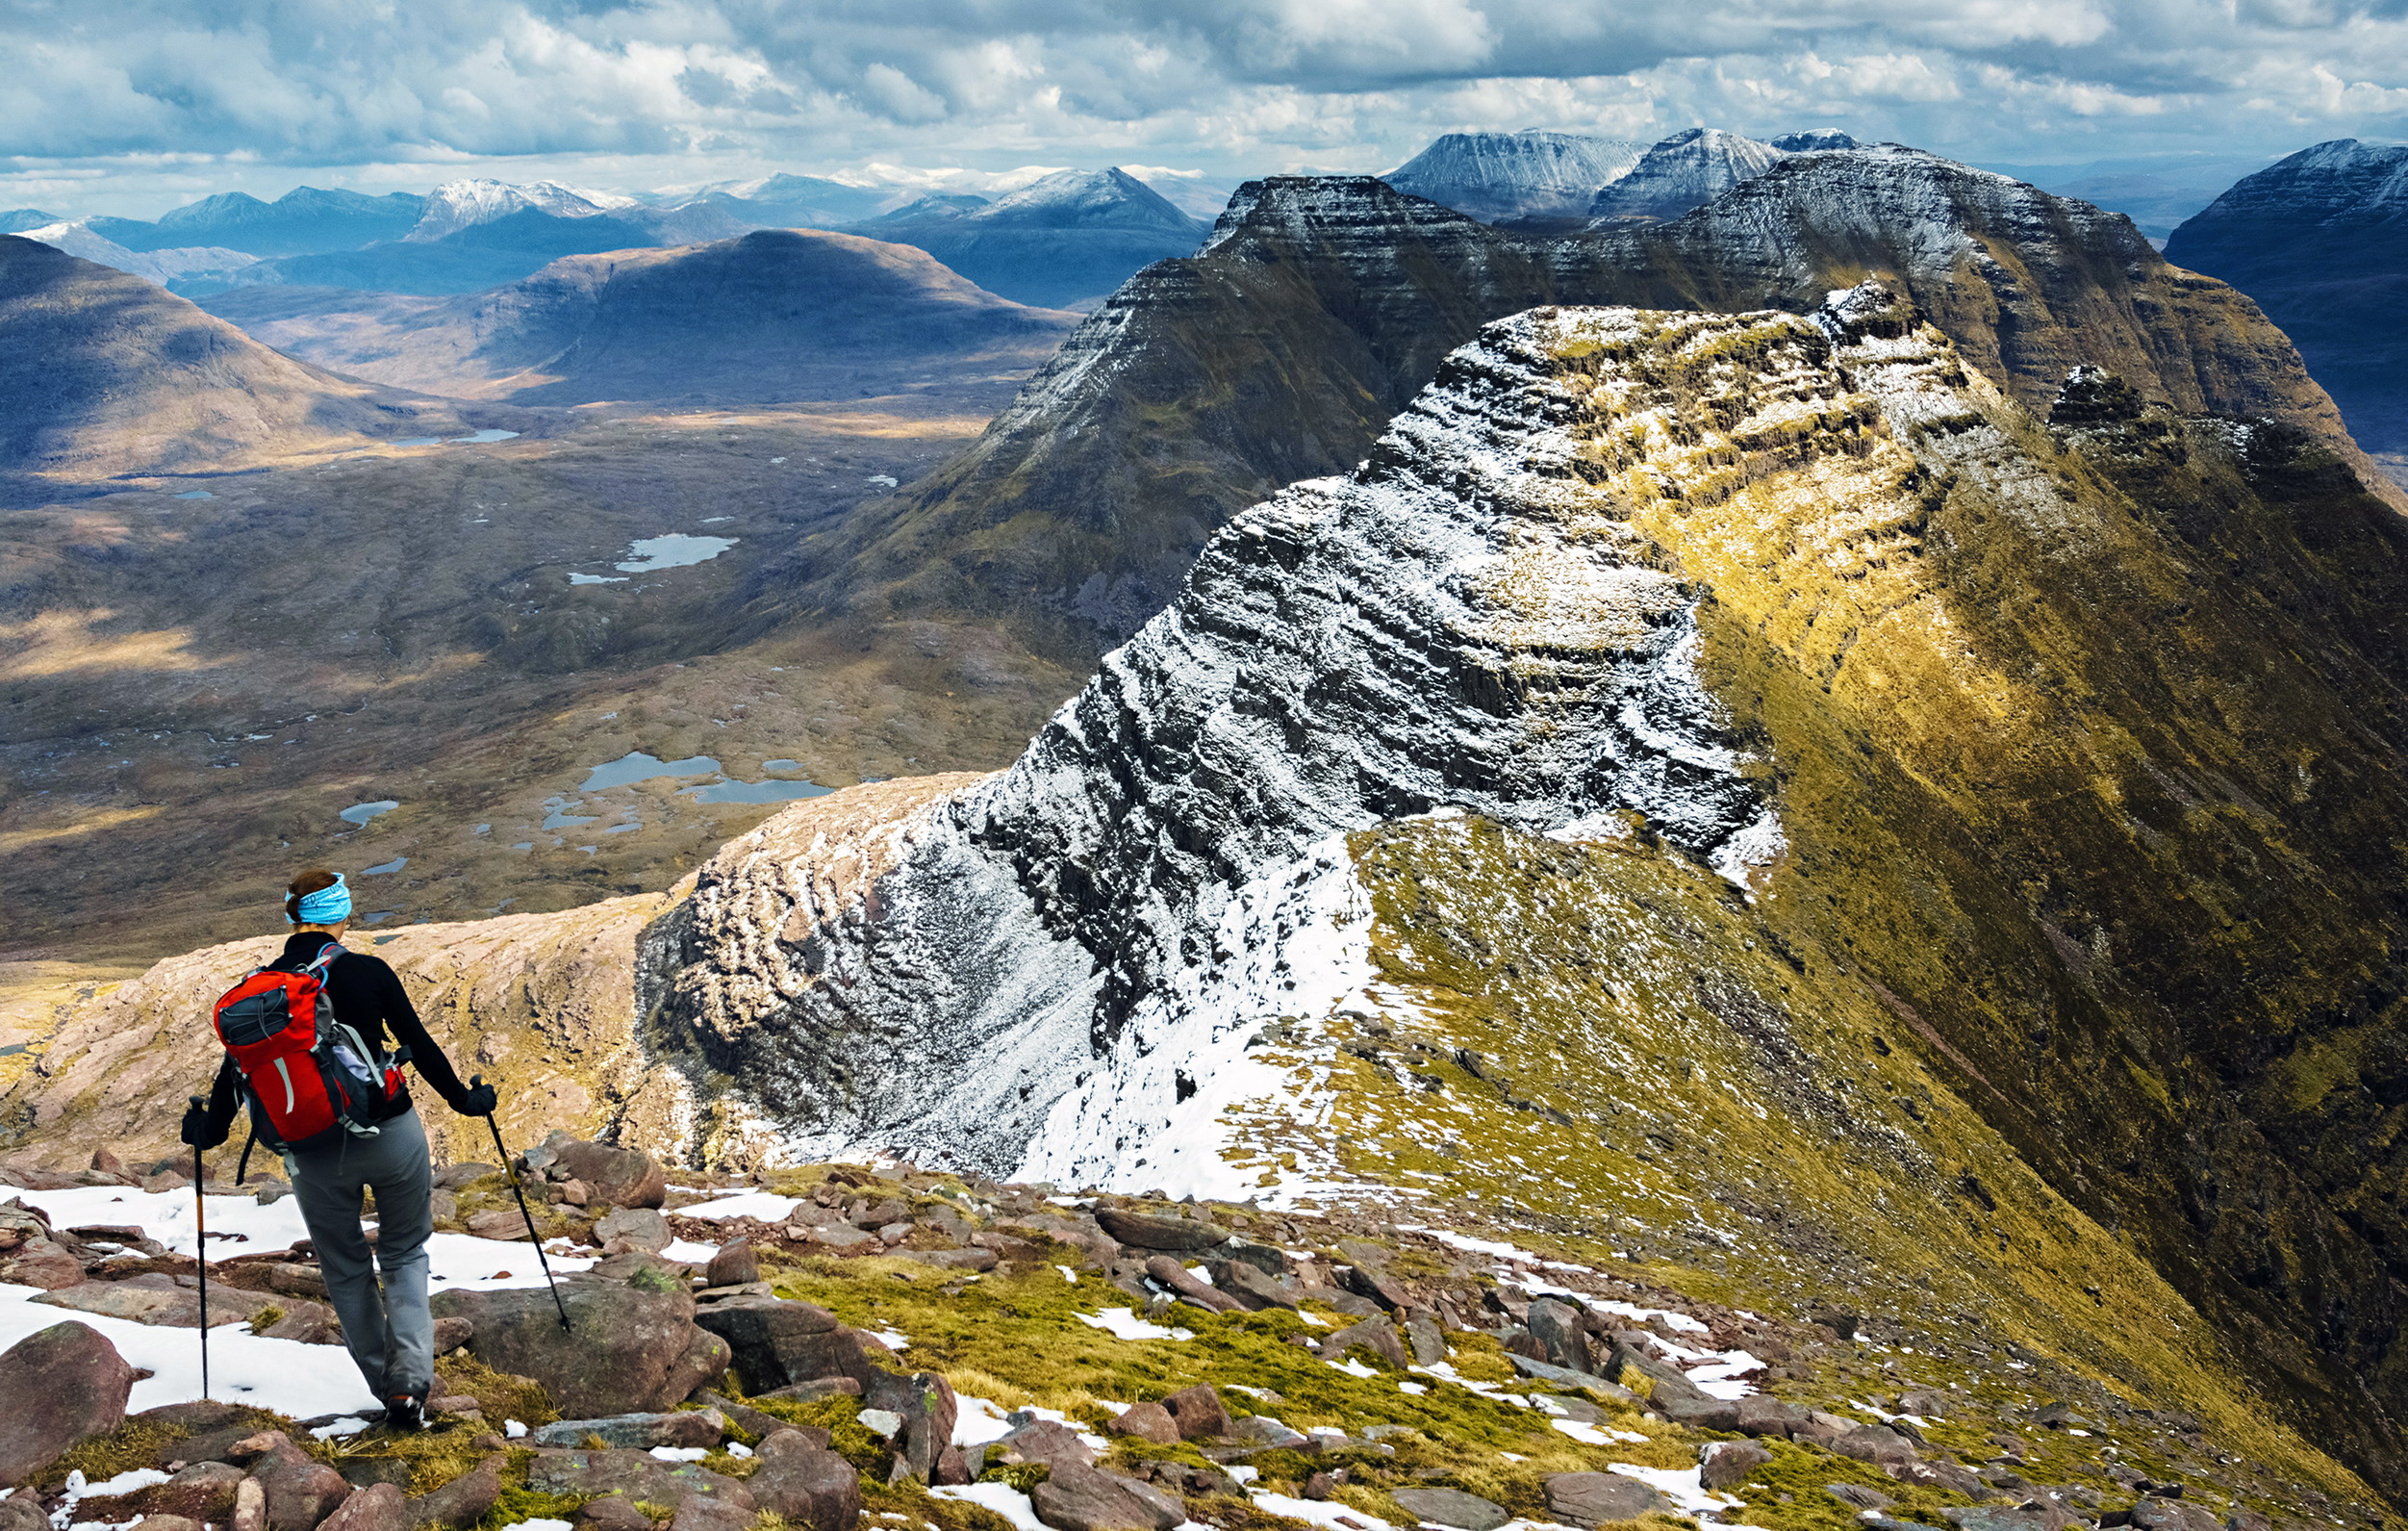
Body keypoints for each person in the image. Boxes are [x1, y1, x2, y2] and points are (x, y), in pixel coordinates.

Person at [182, 868, 497, 1430]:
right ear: (341, 914)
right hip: (389, 1136)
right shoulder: (367, 971)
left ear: (291, 916)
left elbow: (234, 1083)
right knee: (403, 1254)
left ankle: (386, 1391)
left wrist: (202, 1131)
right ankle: (410, 1385)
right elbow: (419, 1045)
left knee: (346, 1269)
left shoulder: (258, 995)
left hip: (311, 1153)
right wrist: (466, 1102)